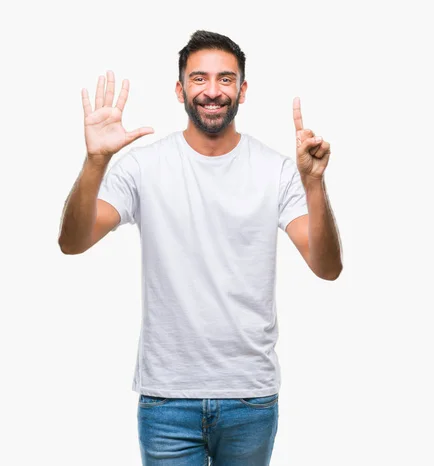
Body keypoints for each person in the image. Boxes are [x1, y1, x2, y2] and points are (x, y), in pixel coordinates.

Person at [58, 30, 343, 465]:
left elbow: (327, 268)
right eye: (199, 79)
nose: (212, 91)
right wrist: (96, 162)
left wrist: (315, 185)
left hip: (249, 397)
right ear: (180, 90)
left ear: (243, 91)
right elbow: (73, 242)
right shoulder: (142, 167)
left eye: (226, 79)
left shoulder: (277, 171)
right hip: (167, 399)